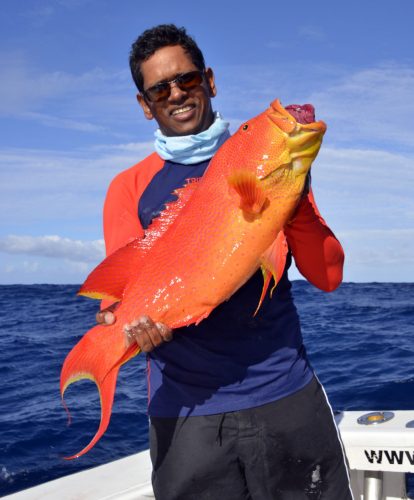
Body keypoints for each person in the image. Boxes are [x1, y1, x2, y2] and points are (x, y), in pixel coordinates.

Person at [97, 24, 353, 500]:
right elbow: (124, 294)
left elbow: (328, 275)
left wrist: (292, 197)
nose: (177, 94)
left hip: (285, 393)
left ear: (210, 81)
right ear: (144, 104)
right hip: (186, 415)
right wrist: (128, 326)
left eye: (188, 80)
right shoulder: (129, 187)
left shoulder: (262, 156)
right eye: (160, 88)